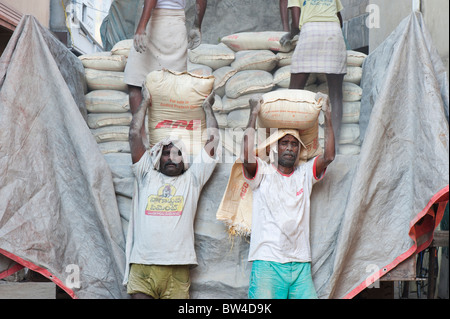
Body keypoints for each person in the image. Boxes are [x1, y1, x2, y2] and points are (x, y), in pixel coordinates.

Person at [124, 84, 219, 299]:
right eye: (166, 153)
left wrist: (207, 108)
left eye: (177, 154)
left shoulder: (192, 180)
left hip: (177, 268)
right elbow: (133, 134)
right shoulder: (147, 175)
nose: (171, 158)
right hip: (143, 265)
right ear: (158, 158)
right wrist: (145, 103)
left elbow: (213, 141)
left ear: (184, 160)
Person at [241, 92, 335, 299]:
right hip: (268, 262)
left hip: (300, 264)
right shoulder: (263, 173)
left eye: (294, 144)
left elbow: (328, 156)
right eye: (284, 143)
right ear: (274, 147)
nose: (290, 148)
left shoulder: (303, 174)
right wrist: (253, 113)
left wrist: (327, 115)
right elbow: (246, 156)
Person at [124, 0, 208, 146]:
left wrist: (141, 27)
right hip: (176, 26)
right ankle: (167, 140)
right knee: (173, 87)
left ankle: (142, 138)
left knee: (135, 82)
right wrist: (197, 25)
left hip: (154, 21)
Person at [280, 0, 346, 150]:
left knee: (294, 93)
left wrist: (289, 35)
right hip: (333, 33)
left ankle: (289, 140)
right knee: (335, 95)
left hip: (310, 33)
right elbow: (339, 19)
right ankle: (333, 145)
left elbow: (296, 24)